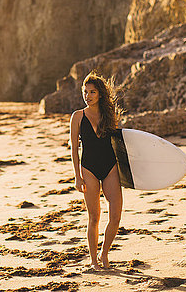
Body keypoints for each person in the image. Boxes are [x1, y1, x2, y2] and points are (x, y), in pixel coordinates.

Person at [69, 71, 122, 270]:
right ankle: (93, 260)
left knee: (115, 216)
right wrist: (77, 176)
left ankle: (104, 253)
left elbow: (120, 143)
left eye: (92, 92)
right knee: (94, 217)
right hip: (88, 168)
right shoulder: (77, 117)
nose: (88, 95)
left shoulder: (110, 115)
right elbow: (74, 148)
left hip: (110, 167)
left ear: (100, 94)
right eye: (85, 92)